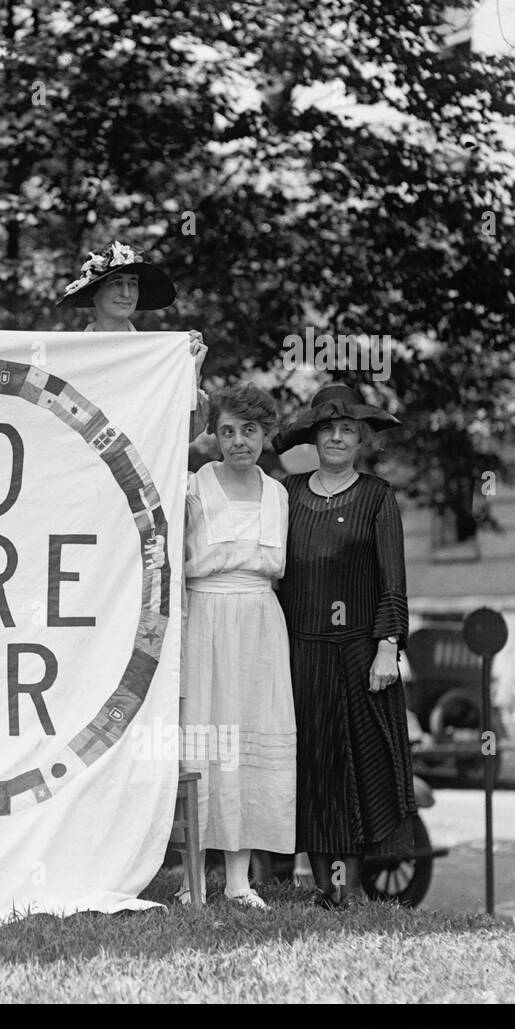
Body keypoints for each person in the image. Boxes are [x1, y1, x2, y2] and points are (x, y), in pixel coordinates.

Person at [273, 383, 417, 909]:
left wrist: (387, 646)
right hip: (298, 650)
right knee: (312, 761)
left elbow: (392, 581)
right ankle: (319, 886)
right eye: (328, 429)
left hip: (359, 652)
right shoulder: (284, 493)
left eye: (348, 431)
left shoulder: (378, 497)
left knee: (359, 763)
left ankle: (349, 888)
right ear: (314, 436)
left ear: (361, 440)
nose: (337, 437)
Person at [176, 384, 296, 908]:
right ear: (213, 435)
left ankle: (240, 880)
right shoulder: (192, 488)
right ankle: (191, 879)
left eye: (249, 431)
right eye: (227, 431)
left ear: (267, 435)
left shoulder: (279, 494)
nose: (238, 441)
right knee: (202, 737)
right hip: (206, 618)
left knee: (249, 736)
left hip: (261, 625)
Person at [56, 239, 209, 439]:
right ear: (95, 291)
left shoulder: (159, 357)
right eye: (117, 282)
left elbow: (188, 432)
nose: (127, 293)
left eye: (133, 283)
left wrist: (190, 373)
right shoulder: (68, 356)